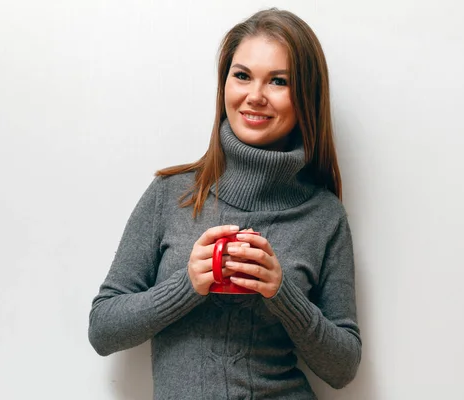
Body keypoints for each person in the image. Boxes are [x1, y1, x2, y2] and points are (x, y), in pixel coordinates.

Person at [88, 8, 361, 399]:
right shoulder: (171, 194)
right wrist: (187, 285)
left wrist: (281, 293)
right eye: (242, 75)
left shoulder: (324, 215)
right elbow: (102, 330)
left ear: (305, 97)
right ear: (224, 85)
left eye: (279, 81)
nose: (255, 96)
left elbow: (343, 367)